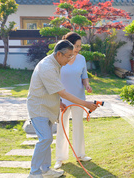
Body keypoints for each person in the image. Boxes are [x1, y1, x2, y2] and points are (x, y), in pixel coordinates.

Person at [27, 40, 98, 178]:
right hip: (39, 107)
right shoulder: (47, 67)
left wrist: (59, 102)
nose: (71, 59)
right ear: (59, 54)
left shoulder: (56, 63)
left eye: (72, 55)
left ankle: (46, 170)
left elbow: (50, 87)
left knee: (46, 139)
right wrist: (86, 104)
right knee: (45, 139)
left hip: (47, 106)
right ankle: (34, 173)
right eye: (69, 56)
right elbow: (63, 92)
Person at [54, 32, 92, 169]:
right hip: (63, 99)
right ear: (68, 45)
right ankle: (60, 158)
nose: (78, 49)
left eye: (80, 46)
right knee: (61, 128)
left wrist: (87, 84)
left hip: (78, 97)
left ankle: (80, 155)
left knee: (78, 126)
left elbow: (84, 75)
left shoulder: (81, 59)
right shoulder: (59, 59)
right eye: (76, 46)